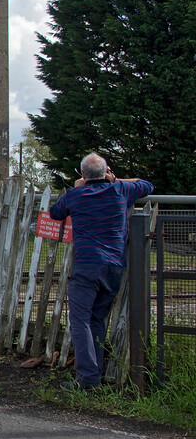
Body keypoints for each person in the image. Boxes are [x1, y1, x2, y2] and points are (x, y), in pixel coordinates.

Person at [49, 152, 154, 391]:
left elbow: (55, 213)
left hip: (87, 266)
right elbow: (147, 185)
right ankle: (93, 375)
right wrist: (116, 181)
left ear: (83, 175)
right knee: (97, 320)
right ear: (106, 172)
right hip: (114, 267)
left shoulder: (76, 195)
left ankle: (88, 379)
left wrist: (76, 188)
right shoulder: (120, 191)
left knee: (80, 320)